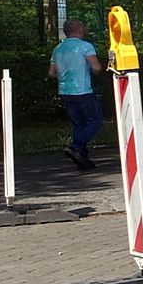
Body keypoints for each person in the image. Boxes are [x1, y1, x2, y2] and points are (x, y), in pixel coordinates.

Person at [48, 18, 104, 170]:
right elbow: (97, 67)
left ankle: (82, 159)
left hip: (65, 91)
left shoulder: (57, 49)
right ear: (79, 29)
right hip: (83, 90)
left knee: (79, 123)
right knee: (95, 121)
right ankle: (76, 145)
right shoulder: (85, 47)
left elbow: (52, 73)